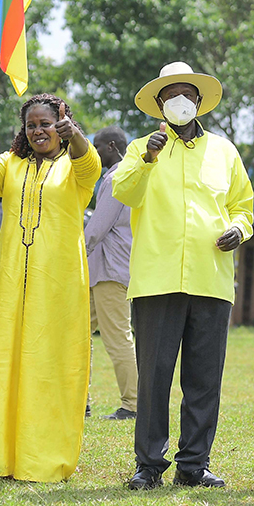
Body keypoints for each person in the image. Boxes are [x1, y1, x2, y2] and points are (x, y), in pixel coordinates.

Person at [114, 61, 254, 490]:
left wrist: (238, 229)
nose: (179, 100)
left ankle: (194, 464)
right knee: (154, 377)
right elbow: (124, 191)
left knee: (204, 379)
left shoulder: (225, 151)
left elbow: (242, 207)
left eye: (186, 94)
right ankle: (148, 466)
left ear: (199, 101)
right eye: (169, 94)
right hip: (156, 281)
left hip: (211, 280)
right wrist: (149, 159)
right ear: (159, 104)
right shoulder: (141, 147)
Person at [0, 94, 100, 482]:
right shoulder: (11, 164)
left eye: (46, 124)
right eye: (31, 125)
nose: (38, 131)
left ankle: (43, 459)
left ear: (61, 125)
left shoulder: (74, 166)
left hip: (59, 284)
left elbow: (93, 166)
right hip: (8, 281)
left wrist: (77, 136)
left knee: (50, 365)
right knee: (1, 363)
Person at [85, 126, 137, 421]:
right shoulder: (115, 175)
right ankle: (81, 400)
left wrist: (75, 253)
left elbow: (98, 226)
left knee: (117, 337)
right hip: (101, 271)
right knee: (78, 333)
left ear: (112, 146)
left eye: (97, 146)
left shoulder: (119, 176)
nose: (93, 152)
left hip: (112, 271)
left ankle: (133, 405)